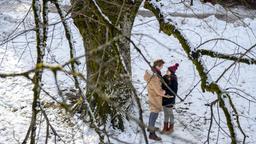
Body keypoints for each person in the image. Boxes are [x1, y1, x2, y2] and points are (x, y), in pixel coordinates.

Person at [144, 59, 166, 141]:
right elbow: (158, 91)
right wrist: (164, 91)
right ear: (158, 66)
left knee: (153, 113)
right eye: (161, 66)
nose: (162, 68)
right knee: (154, 114)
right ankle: (151, 134)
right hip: (155, 97)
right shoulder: (154, 77)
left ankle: (150, 128)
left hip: (152, 95)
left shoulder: (152, 73)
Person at [161, 63, 179, 134]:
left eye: (168, 70)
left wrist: (166, 92)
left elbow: (174, 91)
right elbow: (162, 85)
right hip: (164, 98)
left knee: (170, 113)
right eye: (167, 70)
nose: (166, 71)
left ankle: (171, 128)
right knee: (166, 113)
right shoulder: (164, 77)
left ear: (171, 72)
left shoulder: (174, 79)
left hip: (170, 99)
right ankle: (165, 127)